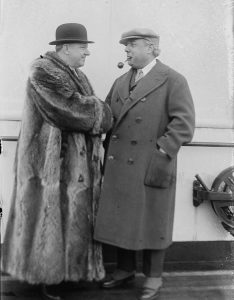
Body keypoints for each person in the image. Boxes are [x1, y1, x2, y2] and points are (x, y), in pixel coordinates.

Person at [2, 23, 112, 300]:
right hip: (48, 164)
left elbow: (82, 108)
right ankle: (44, 277)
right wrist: (103, 112)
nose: (87, 53)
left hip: (68, 163)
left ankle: (63, 275)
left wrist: (94, 110)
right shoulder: (44, 72)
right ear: (65, 48)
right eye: (83, 47)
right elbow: (73, 110)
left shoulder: (75, 74)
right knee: (47, 218)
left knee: (66, 217)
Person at [94, 28, 195, 300]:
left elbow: (184, 125)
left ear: (150, 47)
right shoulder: (120, 81)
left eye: (132, 45)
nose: (126, 50)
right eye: (125, 45)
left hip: (151, 163)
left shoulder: (173, 80)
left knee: (153, 220)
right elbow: (106, 115)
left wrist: (162, 152)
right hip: (119, 166)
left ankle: (154, 276)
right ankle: (125, 270)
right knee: (122, 218)